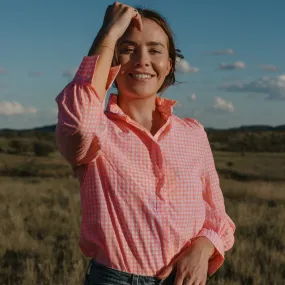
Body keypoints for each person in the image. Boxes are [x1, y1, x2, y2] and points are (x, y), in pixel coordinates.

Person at [55, 2, 236, 285]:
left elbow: (217, 216)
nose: (142, 60)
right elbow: (78, 122)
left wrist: (203, 248)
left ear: (169, 64)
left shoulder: (193, 133)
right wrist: (108, 32)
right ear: (113, 61)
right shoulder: (97, 131)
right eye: (127, 49)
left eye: (154, 50)